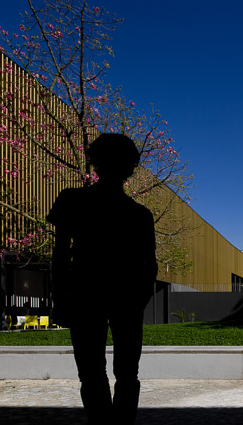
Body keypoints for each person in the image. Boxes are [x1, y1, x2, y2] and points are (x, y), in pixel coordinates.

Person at [47, 133, 158, 424]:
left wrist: (60, 298)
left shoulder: (73, 201)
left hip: (88, 294)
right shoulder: (139, 215)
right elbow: (150, 267)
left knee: (93, 372)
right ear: (131, 168)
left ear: (95, 162)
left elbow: (60, 256)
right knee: (125, 373)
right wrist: (139, 300)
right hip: (120, 297)